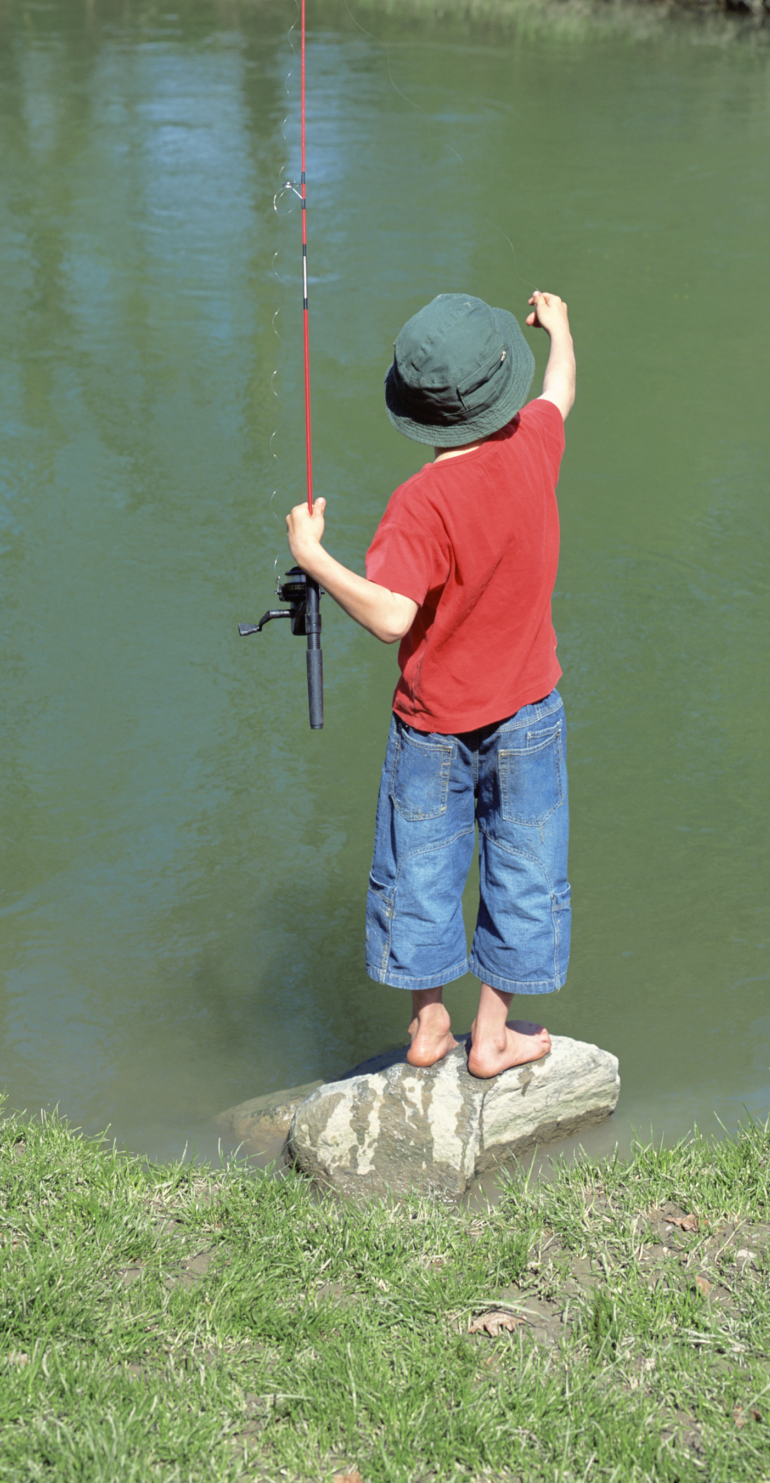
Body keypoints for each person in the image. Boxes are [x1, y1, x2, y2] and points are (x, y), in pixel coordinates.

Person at [285, 288, 576, 1078]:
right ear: (502, 383)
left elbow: (390, 615)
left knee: (419, 868)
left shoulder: (420, 504)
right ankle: (493, 1034)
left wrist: (315, 556)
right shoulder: (535, 444)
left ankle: (427, 1025)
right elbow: (561, 390)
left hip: (431, 727)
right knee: (525, 866)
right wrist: (561, 327)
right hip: (528, 715)